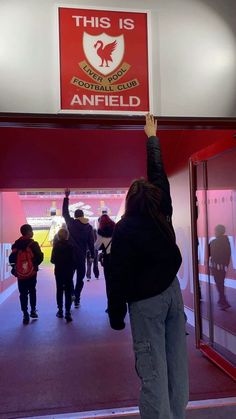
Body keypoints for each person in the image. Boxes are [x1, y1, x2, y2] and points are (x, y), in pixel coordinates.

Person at [108, 114, 188, 419]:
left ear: (129, 201)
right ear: (155, 197)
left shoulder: (125, 228)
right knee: (176, 365)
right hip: (172, 293)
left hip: (146, 303)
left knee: (152, 370)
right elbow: (158, 174)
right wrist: (152, 138)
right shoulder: (162, 210)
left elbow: (118, 275)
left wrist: (116, 315)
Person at [62, 189, 95, 307]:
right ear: (83, 215)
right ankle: (77, 298)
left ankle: (71, 295)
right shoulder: (88, 227)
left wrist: (66, 197)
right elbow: (91, 243)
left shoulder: (71, 223)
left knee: (69, 277)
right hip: (81, 257)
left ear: (75, 216)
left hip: (70, 256)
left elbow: (65, 213)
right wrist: (92, 255)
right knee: (80, 279)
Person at [9, 224, 44, 324]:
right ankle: (33, 310)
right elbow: (40, 257)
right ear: (28, 232)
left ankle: (25, 314)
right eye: (31, 230)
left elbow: (11, 259)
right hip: (32, 273)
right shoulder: (33, 244)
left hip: (20, 275)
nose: (32, 232)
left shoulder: (16, 245)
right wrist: (34, 266)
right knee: (32, 291)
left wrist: (15, 269)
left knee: (23, 294)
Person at [50, 228, 74, 322]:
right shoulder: (71, 246)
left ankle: (60, 311)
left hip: (59, 271)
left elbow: (52, 260)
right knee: (68, 291)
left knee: (59, 290)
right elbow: (74, 260)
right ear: (67, 235)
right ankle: (68, 312)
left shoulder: (56, 246)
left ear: (58, 236)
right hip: (68, 271)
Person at [95, 214, 115, 310]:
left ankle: (110, 305)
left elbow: (97, 246)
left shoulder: (100, 232)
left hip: (108, 258)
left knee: (108, 283)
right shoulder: (116, 228)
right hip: (117, 257)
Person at [209, 224, 231, 310]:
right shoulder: (226, 241)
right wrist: (225, 265)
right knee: (220, 283)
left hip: (216, 267)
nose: (214, 232)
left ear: (218, 232)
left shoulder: (214, 242)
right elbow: (228, 255)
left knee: (219, 284)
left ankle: (223, 301)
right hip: (222, 267)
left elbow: (210, 253)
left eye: (215, 231)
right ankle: (222, 300)